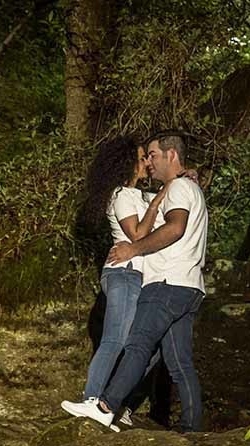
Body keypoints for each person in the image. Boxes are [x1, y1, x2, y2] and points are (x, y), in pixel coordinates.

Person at [62, 131, 208, 433]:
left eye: (152, 155)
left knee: (138, 344)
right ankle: (190, 430)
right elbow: (153, 216)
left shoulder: (176, 188)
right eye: (144, 158)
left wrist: (134, 248)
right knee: (174, 361)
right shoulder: (146, 193)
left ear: (171, 155)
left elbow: (173, 227)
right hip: (184, 284)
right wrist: (179, 181)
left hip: (167, 282)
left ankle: (106, 406)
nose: (148, 163)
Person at [64, 136, 169, 427]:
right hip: (124, 273)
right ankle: (92, 399)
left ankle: (117, 402)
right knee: (115, 339)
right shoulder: (121, 194)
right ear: (127, 164)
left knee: (151, 347)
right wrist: (156, 202)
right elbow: (137, 235)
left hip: (144, 278)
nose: (147, 162)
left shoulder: (141, 195)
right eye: (141, 158)